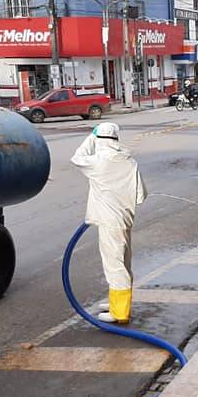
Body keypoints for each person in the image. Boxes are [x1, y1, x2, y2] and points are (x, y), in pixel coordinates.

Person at [71, 122, 148, 324]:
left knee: (114, 266)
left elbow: (77, 157)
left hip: (109, 221)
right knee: (124, 262)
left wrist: (91, 136)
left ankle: (120, 313)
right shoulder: (130, 162)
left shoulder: (98, 162)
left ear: (99, 141)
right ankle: (118, 302)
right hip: (125, 219)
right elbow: (141, 196)